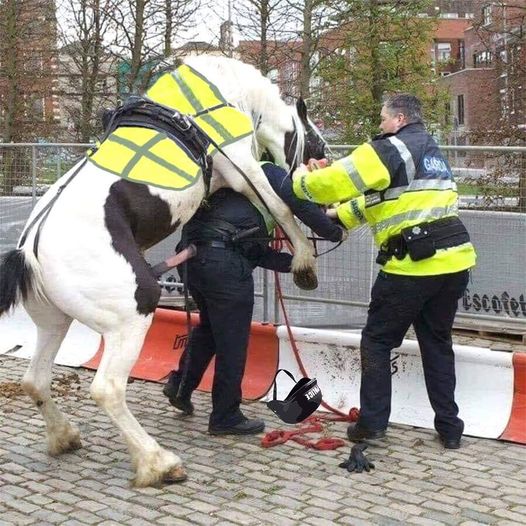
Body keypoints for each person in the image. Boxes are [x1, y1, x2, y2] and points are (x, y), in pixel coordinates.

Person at [292, 94, 476, 449]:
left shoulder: (391, 148)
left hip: (411, 267)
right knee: (437, 343)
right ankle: (451, 428)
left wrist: (301, 180)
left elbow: (332, 183)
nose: (379, 125)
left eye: (382, 119)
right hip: (454, 264)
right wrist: (339, 215)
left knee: (376, 341)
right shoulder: (430, 152)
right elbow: (387, 200)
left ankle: (373, 424)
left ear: (399, 119)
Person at [163, 162, 345, 436]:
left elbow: (254, 251)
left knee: (210, 330)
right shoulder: (269, 171)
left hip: (193, 260)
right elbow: (303, 206)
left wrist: (295, 263)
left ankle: (180, 386)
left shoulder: (238, 185)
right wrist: (334, 232)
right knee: (232, 344)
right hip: (223, 265)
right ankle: (225, 416)